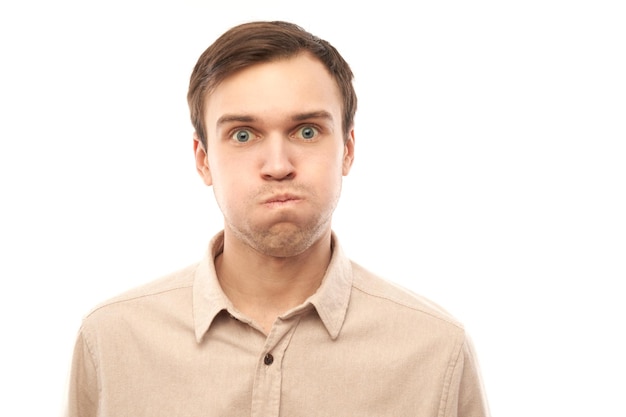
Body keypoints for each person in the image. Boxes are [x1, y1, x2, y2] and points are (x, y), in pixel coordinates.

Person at [66, 20, 490, 417]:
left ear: (347, 149)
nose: (277, 165)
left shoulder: (436, 350)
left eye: (306, 131)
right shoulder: (111, 341)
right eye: (243, 135)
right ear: (203, 159)